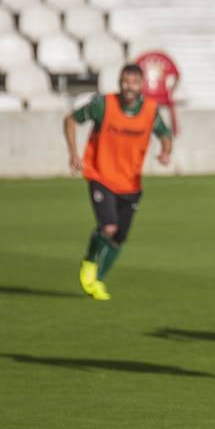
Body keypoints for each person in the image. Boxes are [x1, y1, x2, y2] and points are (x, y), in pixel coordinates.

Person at [63, 64, 174, 301]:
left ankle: (98, 281)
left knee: (119, 237)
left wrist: (166, 151)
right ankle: (90, 261)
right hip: (100, 176)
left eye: (134, 82)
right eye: (125, 81)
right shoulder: (103, 105)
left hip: (131, 183)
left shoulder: (150, 111)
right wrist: (73, 153)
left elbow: (165, 133)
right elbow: (71, 120)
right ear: (119, 82)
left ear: (142, 85)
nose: (129, 87)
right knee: (109, 227)